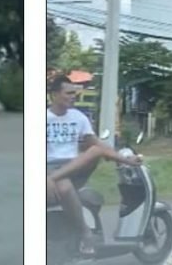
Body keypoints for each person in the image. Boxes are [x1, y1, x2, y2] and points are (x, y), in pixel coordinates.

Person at [47, 75, 143, 255]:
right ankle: (85, 232)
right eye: (68, 93)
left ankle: (53, 179)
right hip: (48, 168)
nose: (73, 97)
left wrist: (125, 159)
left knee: (95, 152)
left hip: (71, 168)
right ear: (55, 94)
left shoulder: (78, 117)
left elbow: (96, 144)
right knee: (65, 188)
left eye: (74, 93)